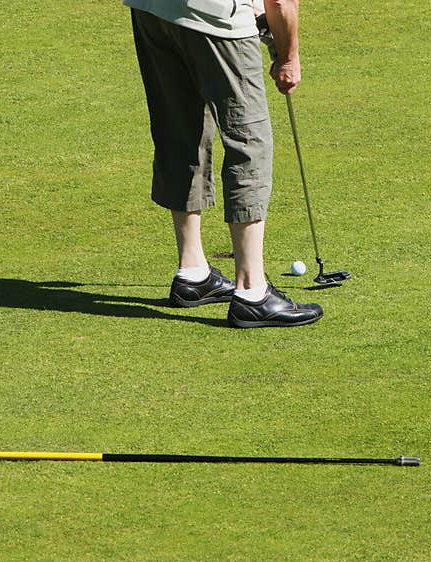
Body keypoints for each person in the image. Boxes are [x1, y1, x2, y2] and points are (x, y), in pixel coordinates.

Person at [123, 0, 323, 328]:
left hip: (151, 10)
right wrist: (288, 56)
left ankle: (193, 273)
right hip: (217, 18)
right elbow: (281, 3)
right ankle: (252, 292)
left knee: (179, 128)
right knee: (248, 142)